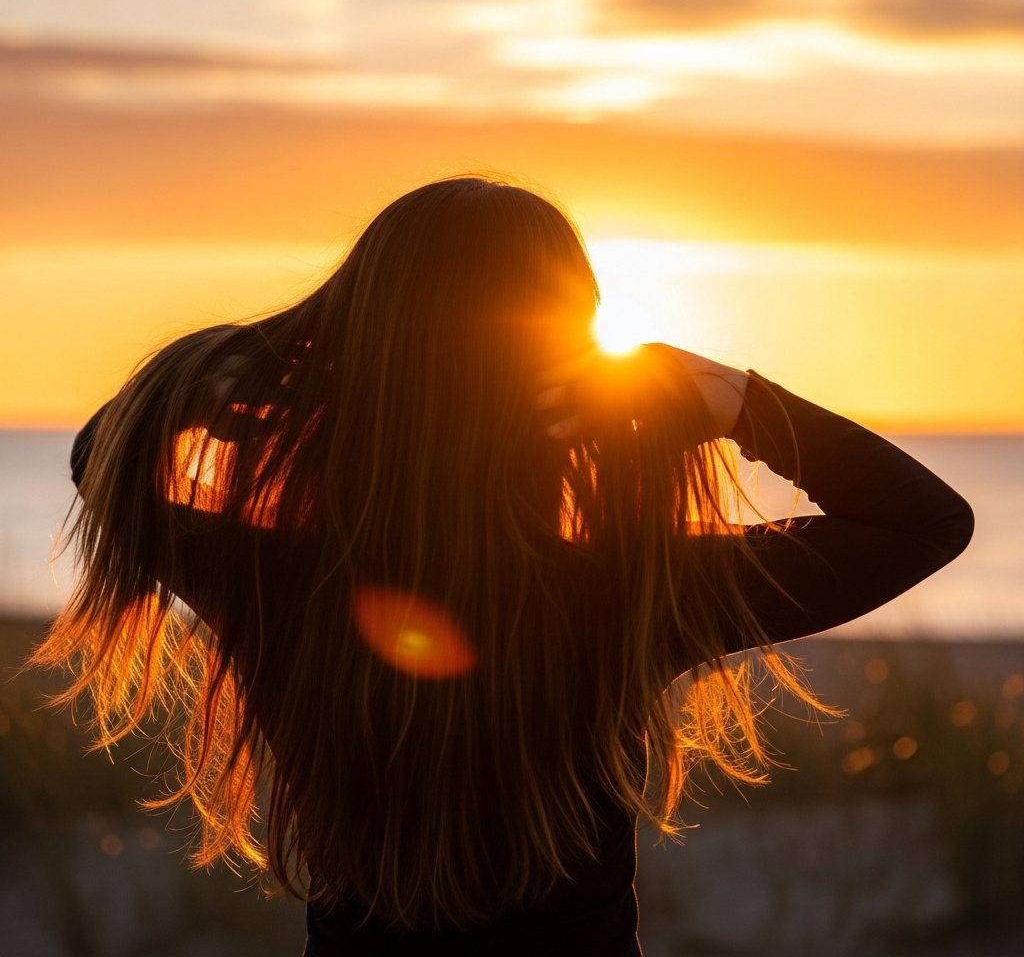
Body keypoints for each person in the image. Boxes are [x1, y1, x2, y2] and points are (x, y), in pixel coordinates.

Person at [36, 176, 974, 956]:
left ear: (350, 362)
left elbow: (101, 461)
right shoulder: (635, 591)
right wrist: (741, 405)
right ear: (562, 368)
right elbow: (923, 523)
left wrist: (252, 359)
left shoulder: (275, 580)